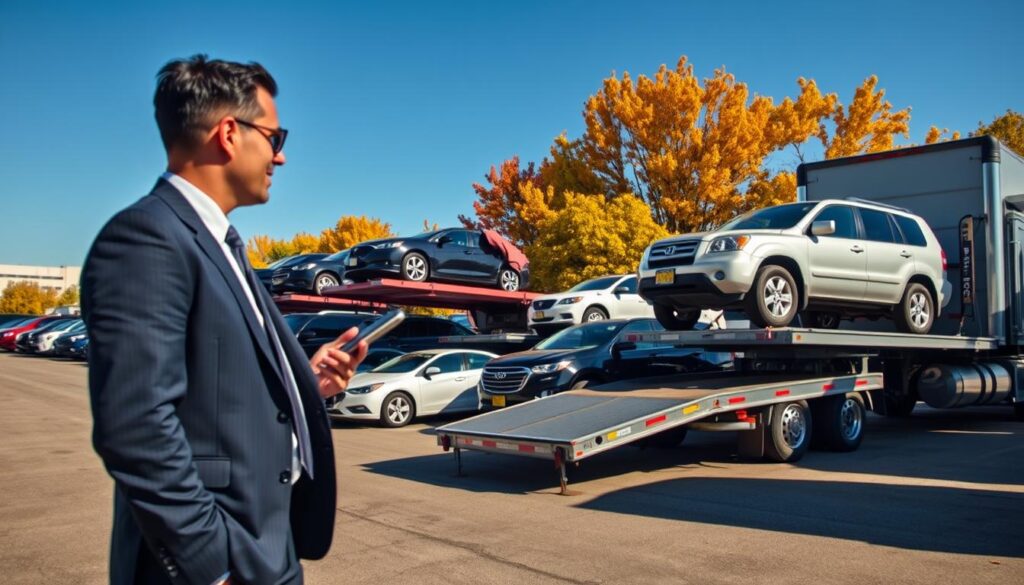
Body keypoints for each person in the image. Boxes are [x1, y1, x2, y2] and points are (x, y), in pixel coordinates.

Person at [82, 55, 367, 585]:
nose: (280, 157)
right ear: (229, 133)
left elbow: (215, 390)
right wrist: (212, 567)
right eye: (275, 138)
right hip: (221, 563)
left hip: (269, 546)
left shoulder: (221, 245)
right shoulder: (147, 238)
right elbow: (137, 426)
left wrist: (304, 382)